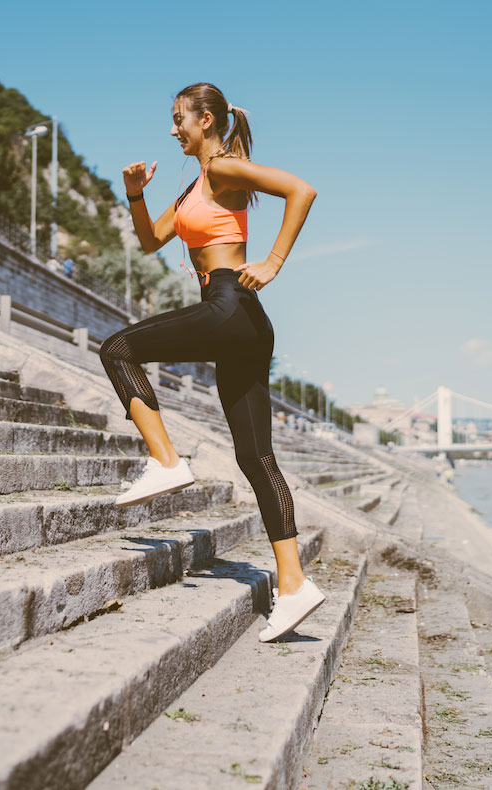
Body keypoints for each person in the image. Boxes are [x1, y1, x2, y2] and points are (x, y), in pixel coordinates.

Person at [99, 83, 324, 642]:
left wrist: (273, 261)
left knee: (116, 348)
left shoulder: (224, 168)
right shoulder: (196, 186)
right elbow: (152, 242)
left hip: (231, 304)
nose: (173, 129)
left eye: (179, 119)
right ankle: (294, 585)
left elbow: (301, 189)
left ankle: (166, 460)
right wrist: (134, 195)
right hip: (240, 321)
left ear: (206, 120)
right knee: (256, 458)